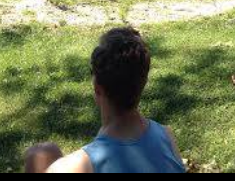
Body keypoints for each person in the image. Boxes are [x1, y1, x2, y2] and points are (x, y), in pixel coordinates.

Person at [26, 27, 187, 173]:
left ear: (98, 88)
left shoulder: (76, 167)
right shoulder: (166, 136)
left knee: (37, 157)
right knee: (43, 152)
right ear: (143, 82)